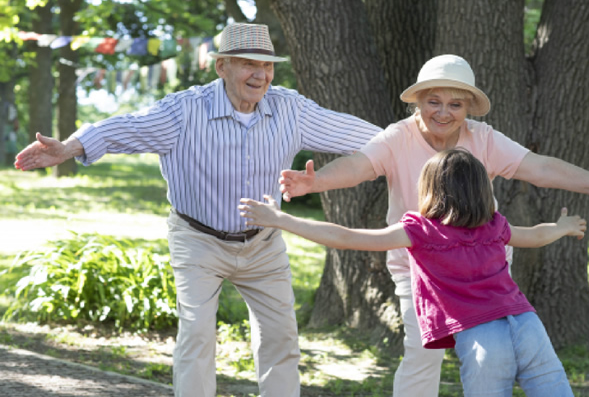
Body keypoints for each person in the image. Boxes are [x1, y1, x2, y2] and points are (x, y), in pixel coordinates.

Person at [14, 22, 382, 397]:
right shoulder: (184, 111)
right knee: (197, 335)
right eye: (248, 64)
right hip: (198, 239)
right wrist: (69, 147)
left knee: (281, 339)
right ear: (221, 66)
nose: (261, 75)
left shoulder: (291, 109)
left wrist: (423, 143)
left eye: (268, 66)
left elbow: (362, 135)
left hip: (264, 242)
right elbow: (123, 128)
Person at [279, 54, 589, 396]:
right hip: (420, 271)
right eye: (433, 101)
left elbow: (542, 167)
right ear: (418, 103)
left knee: (492, 358)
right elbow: (358, 166)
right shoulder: (398, 136)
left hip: (482, 269)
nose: (443, 112)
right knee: (422, 357)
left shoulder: (483, 138)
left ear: (469, 108)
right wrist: (318, 181)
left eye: (455, 104)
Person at [240, 148, 586, 396]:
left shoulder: (421, 231)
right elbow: (537, 235)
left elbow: (346, 238)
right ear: (483, 191)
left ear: (430, 191)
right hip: (527, 324)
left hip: (482, 337)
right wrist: (563, 226)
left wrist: (281, 219)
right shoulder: (494, 225)